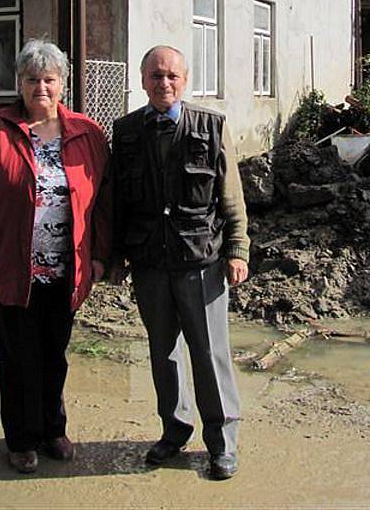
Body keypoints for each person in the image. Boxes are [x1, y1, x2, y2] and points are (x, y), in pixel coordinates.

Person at [0, 39, 110, 474]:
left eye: (50, 79)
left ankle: (52, 429)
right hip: (10, 267)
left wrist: (101, 257)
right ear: (19, 84)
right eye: (32, 79)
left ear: (63, 85)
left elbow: (102, 202)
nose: (41, 87)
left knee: (54, 353)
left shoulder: (87, 133)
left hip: (66, 268)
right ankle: (20, 439)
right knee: (18, 357)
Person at [112, 45, 250, 480]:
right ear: (142, 81)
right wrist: (115, 256)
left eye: (171, 76)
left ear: (185, 80)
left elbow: (231, 197)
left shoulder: (211, 127)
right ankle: (174, 431)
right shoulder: (127, 131)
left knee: (210, 354)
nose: (163, 83)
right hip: (150, 262)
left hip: (201, 261)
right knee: (163, 352)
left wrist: (238, 249)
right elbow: (118, 201)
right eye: (155, 76)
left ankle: (222, 443)